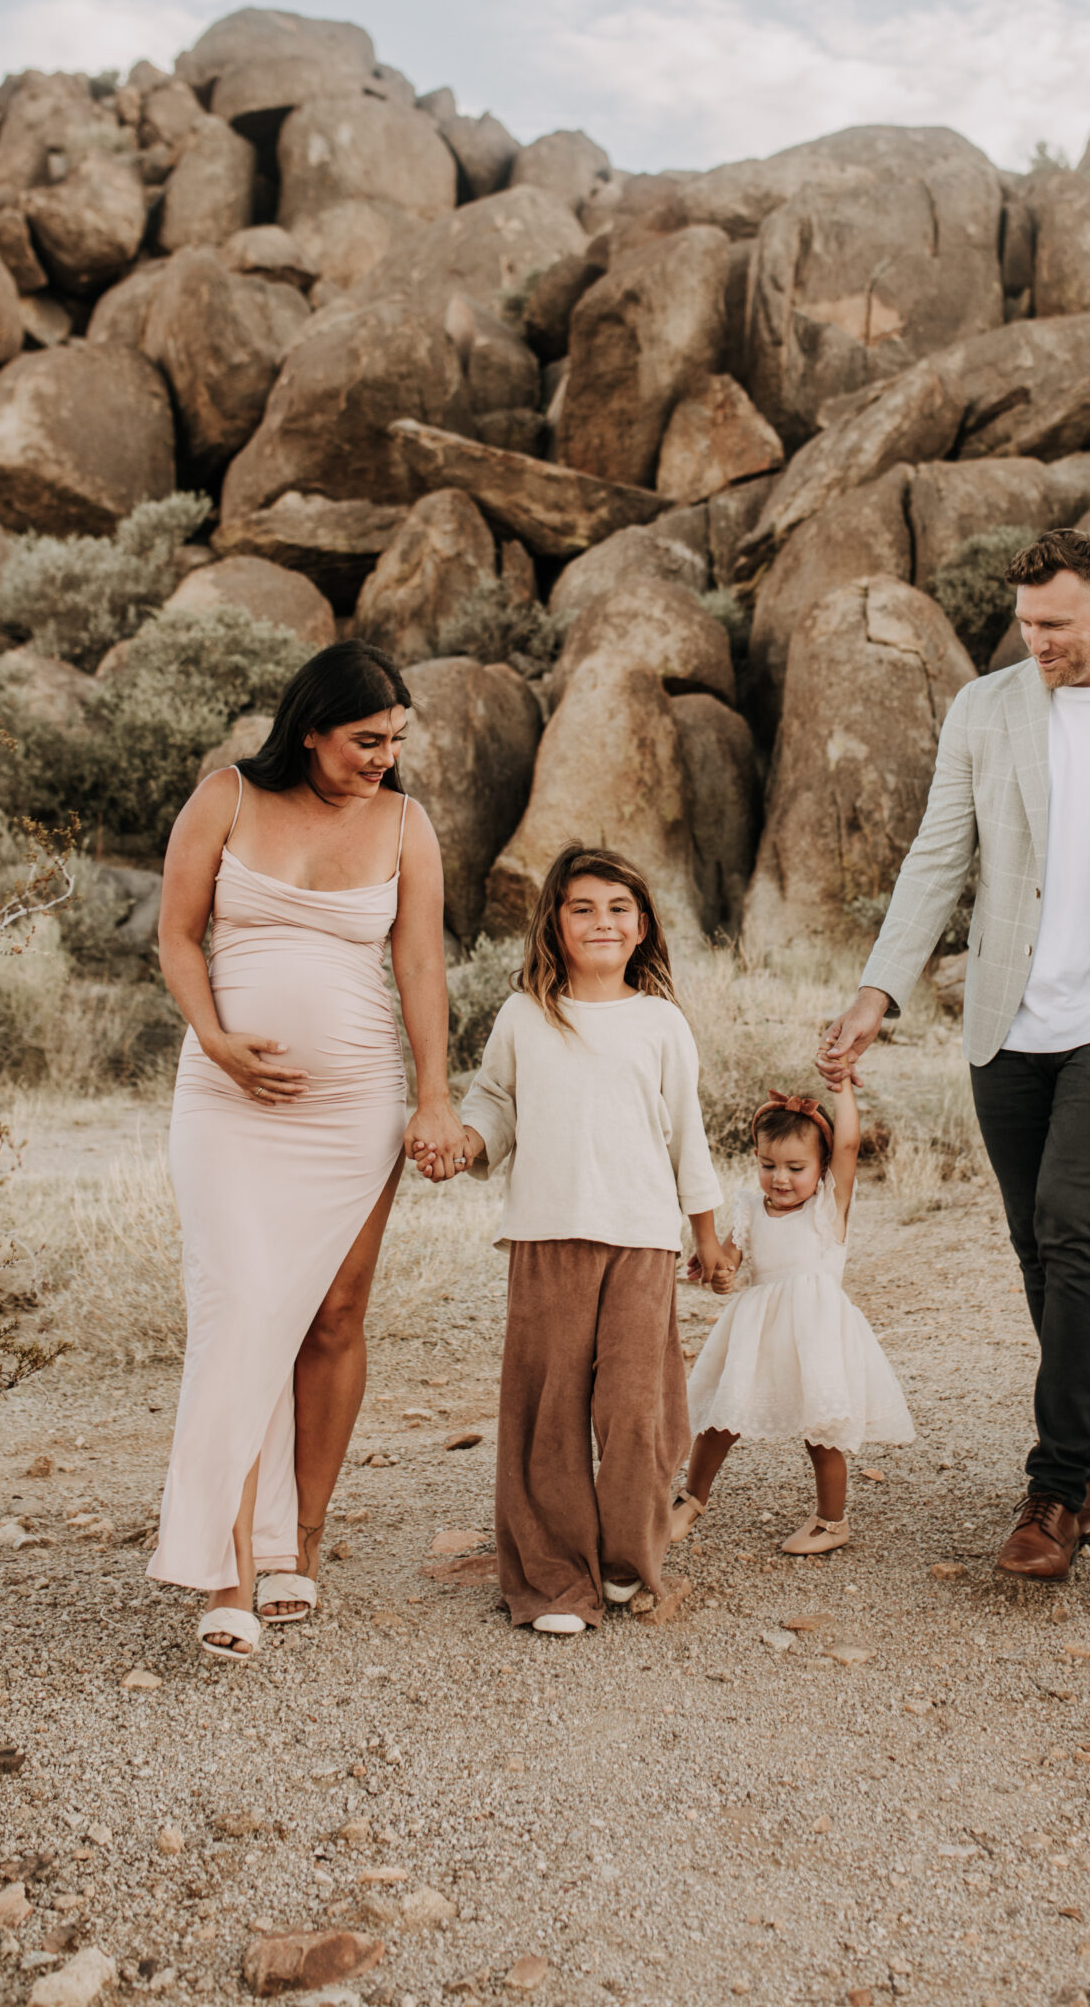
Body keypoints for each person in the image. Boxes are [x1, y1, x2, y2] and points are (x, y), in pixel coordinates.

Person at [820, 529, 1090, 1583]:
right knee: (1036, 1245)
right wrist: (880, 989)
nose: (1036, 641)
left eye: (1055, 624)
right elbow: (938, 856)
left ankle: (1054, 1491)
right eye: (1025, 623)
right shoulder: (986, 708)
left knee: (1073, 1221)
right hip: (1008, 1020)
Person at [149, 641, 458, 1660]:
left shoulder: (407, 824)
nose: (384, 758)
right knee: (239, 1308)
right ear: (311, 728)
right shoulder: (225, 797)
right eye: (367, 740)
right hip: (228, 1102)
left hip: (355, 1107)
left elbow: (419, 965)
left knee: (332, 1316)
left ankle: (299, 1544)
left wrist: (436, 1099)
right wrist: (217, 1041)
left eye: (396, 742)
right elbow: (177, 937)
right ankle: (223, 1570)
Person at [444, 846, 731, 1635]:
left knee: (637, 1412)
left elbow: (688, 1137)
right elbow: (493, 1102)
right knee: (548, 1414)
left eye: (616, 908)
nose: (601, 921)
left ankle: (621, 1561)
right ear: (554, 925)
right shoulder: (523, 1015)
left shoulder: (660, 1021)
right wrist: (466, 1144)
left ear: (641, 926)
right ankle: (552, 1580)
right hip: (547, 1234)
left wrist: (706, 1237)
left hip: (641, 1241)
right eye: (581, 908)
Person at [673, 1073, 915, 1555]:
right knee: (721, 1419)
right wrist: (718, 1275)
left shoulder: (829, 1208)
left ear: (822, 1168)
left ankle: (831, 1521)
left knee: (821, 1432)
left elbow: (847, 1143)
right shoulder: (749, 1209)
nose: (780, 1178)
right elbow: (728, 1266)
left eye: (795, 1167)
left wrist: (842, 1087)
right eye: (768, 1165)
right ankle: (689, 1499)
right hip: (756, 1335)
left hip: (815, 1337)